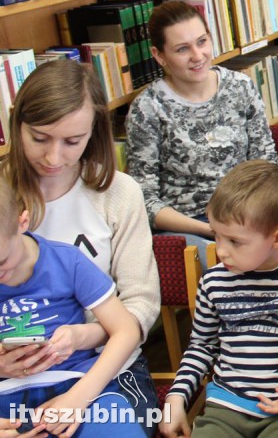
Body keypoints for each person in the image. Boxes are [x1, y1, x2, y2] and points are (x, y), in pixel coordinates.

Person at [2, 60, 160, 432]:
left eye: (72, 141)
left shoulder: (119, 194)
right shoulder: (2, 195)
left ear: (95, 133)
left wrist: (87, 336)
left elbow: (142, 303)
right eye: (39, 138)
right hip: (14, 377)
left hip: (103, 365)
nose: (53, 158)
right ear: (17, 125)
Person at [126, 1, 277, 269]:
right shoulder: (147, 108)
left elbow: (266, 163)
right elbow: (145, 201)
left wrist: (247, 220)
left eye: (202, 41)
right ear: (159, 56)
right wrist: (212, 230)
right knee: (229, 262)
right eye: (182, 49)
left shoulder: (240, 87)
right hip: (190, 225)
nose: (198, 55)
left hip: (248, 214)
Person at [160, 161, 278, 438]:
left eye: (235, 241)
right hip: (225, 407)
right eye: (217, 235)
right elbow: (202, 346)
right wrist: (175, 399)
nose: (221, 251)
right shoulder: (214, 282)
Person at [0, 180, 145, 438]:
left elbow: (126, 330)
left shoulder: (67, 260)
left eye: (2, 261)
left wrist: (80, 397)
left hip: (79, 383)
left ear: (22, 223)